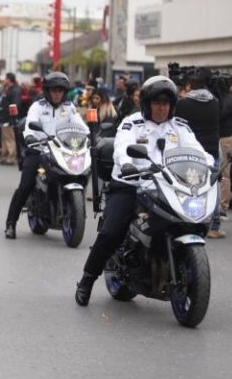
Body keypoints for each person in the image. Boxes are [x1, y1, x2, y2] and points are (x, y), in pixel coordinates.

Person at [75, 76, 213, 306]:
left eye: (166, 104)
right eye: (157, 103)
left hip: (168, 186)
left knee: (192, 219)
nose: (161, 108)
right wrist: (127, 163)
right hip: (131, 184)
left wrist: (210, 164)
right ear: (148, 104)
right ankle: (87, 280)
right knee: (111, 232)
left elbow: (197, 150)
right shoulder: (132, 123)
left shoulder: (180, 127)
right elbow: (122, 147)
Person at [4, 72, 87, 239]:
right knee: (26, 185)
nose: (57, 94)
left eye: (60, 90)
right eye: (54, 90)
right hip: (39, 149)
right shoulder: (38, 107)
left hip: (63, 150)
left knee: (79, 173)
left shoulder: (69, 108)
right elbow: (29, 125)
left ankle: (69, 207)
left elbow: (81, 127)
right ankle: (10, 223)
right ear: (48, 91)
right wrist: (30, 137)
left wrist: (89, 136)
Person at [175, 68, 222, 238]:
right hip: (212, 150)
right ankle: (215, 224)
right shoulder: (215, 102)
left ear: (189, 86)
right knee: (212, 187)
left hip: (191, 151)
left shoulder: (182, 103)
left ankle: (188, 218)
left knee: (188, 186)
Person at [218, 75, 232, 218]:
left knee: (224, 174)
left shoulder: (231, 100)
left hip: (226, 138)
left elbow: (220, 114)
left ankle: (222, 207)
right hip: (226, 137)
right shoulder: (229, 98)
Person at [0, 73, 22, 165]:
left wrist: (12, 116)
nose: (4, 81)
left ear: (9, 79)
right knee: (4, 138)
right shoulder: (7, 89)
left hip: (10, 118)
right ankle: (5, 155)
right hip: (4, 117)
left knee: (10, 138)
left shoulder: (15, 90)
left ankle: (11, 156)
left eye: (5, 79)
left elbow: (15, 104)